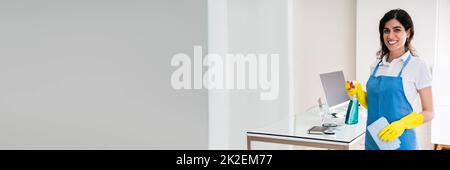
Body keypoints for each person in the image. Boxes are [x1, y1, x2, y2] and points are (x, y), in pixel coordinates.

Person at [346, 9, 434, 150]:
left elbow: (429, 112)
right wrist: (360, 94)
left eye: (397, 30)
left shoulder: (417, 65)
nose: (390, 35)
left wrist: (402, 124)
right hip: (373, 141)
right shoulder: (376, 65)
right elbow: (376, 105)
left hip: (402, 142)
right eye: (386, 31)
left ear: (408, 33)